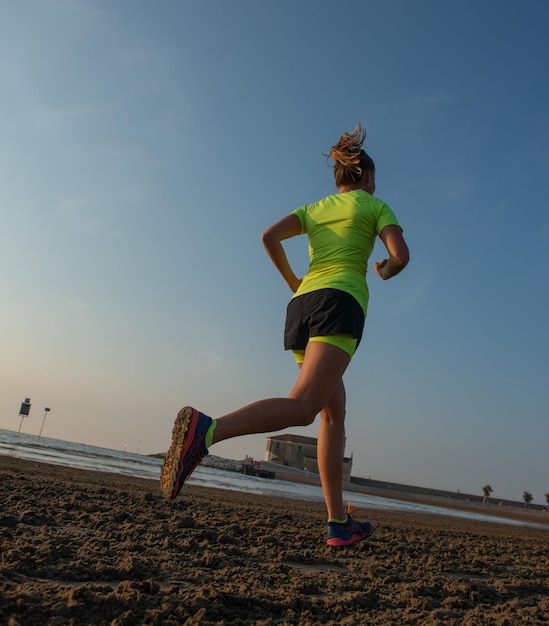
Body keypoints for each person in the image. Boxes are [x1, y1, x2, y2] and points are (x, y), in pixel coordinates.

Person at [160, 123, 409, 547]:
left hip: (303, 306)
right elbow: (399, 255)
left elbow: (268, 236)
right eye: (374, 178)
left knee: (334, 412)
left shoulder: (315, 208)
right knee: (304, 407)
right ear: (366, 178)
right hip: (339, 304)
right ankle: (206, 431)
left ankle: (338, 523)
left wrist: (294, 280)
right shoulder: (375, 205)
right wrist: (385, 270)